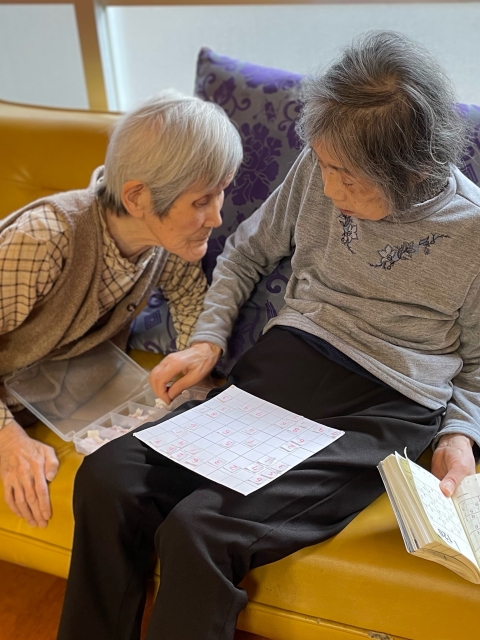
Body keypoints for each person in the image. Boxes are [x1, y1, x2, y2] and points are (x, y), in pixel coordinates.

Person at [58, 31, 480, 640]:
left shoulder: (471, 233)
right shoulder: (322, 162)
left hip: (383, 407)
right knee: (108, 480)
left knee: (202, 531)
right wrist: (207, 340)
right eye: (324, 165)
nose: (327, 188)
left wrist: (460, 435)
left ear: (411, 171)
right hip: (283, 368)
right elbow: (245, 252)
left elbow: (477, 362)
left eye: (346, 178)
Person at [0, 91, 243, 529]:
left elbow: (191, 300)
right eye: (201, 201)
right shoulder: (42, 240)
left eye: (221, 193)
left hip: (53, 395)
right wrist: (7, 439)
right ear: (136, 198)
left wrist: (196, 372)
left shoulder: (164, 242)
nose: (217, 218)